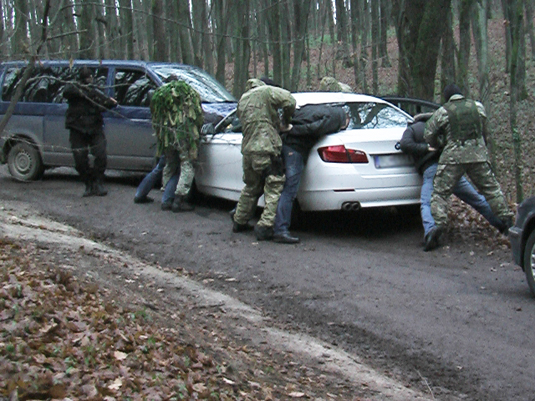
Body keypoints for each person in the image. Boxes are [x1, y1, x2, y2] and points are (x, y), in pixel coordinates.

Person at [423, 84, 514, 250]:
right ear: (461, 94)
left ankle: (438, 226)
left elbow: (428, 134)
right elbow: (484, 132)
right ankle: (507, 222)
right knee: (491, 190)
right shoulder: (478, 107)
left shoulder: (443, 111)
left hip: (453, 158)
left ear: (447, 97)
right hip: (478, 155)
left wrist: (440, 144)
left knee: (441, 193)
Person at [400, 112, 508, 252]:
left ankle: (431, 231)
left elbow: (405, 144)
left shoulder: (413, 129)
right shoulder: (443, 126)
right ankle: (503, 224)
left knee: (427, 203)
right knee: (476, 199)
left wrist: (425, 149)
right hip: (452, 169)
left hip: (432, 170)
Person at [273, 104, 350, 244]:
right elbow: (315, 128)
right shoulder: (336, 117)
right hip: (295, 149)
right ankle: (280, 230)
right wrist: (292, 130)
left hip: (284, 145)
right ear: (347, 119)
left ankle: (243, 215)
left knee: (272, 184)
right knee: (289, 190)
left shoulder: (315, 108)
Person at [232, 78, 296, 241]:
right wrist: (286, 120)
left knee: (251, 186)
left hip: (248, 150)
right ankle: (265, 226)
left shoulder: (242, 100)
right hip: (266, 147)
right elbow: (289, 100)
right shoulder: (266, 92)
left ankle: (239, 221)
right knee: (274, 185)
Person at [150, 80, 204, 213]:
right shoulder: (186, 94)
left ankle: (166, 199)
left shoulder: (161, 97)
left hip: (166, 137)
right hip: (183, 136)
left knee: (170, 164)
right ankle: (179, 200)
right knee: (187, 164)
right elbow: (197, 115)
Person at [63, 67, 117, 197]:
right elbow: (66, 92)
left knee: (101, 155)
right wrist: (85, 92)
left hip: (94, 128)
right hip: (77, 129)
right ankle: (88, 183)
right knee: (80, 159)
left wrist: (110, 102)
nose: (90, 80)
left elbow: (105, 104)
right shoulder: (73, 89)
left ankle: (98, 182)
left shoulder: (95, 91)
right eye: (87, 78)